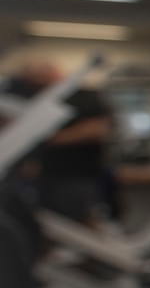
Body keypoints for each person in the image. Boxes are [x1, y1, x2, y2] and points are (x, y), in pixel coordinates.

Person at [5, 58, 115, 225]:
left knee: (82, 220)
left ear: (53, 72)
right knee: (48, 222)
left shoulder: (83, 96)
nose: (36, 83)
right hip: (48, 176)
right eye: (30, 80)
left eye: (40, 76)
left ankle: (91, 250)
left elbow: (97, 130)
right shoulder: (40, 99)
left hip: (77, 175)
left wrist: (44, 136)